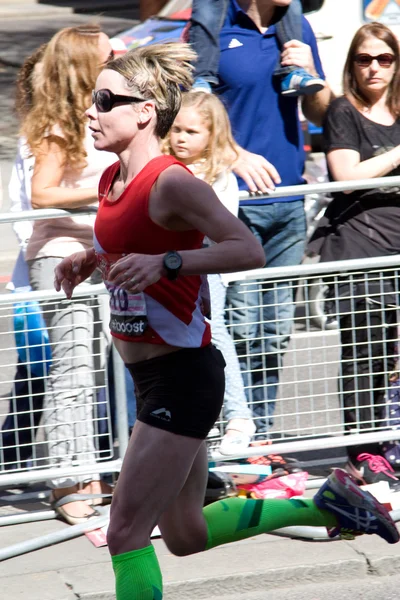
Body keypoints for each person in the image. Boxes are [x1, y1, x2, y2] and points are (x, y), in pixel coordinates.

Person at [54, 42, 398, 600]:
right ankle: (327, 503)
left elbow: (246, 249)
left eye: (104, 100)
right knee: (185, 534)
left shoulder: (172, 182)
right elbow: (136, 244)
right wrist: (92, 259)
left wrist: (169, 261)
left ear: (144, 112)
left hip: (184, 377)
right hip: (152, 380)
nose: (90, 111)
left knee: (125, 531)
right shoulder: (111, 179)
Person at [205, 0, 333, 442]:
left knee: (275, 334)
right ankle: (229, 438)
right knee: (236, 330)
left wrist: (312, 70)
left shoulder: (296, 27)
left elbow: (321, 115)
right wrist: (236, 156)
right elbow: (186, 116)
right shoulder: (214, 28)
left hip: (288, 204)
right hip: (232, 208)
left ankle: (259, 439)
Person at [21, 25, 118, 524]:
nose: (118, 57)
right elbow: (42, 194)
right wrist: (103, 192)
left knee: (92, 370)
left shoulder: (100, 114)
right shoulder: (57, 123)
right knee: (73, 368)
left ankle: (87, 469)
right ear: (85, 64)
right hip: (60, 252)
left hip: (100, 251)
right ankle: (65, 480)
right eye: (108, 54)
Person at [308, 22, 400, 485]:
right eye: (365, 59)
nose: (374, 68)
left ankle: (391, 443)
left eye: (384, 59)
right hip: (360, 245)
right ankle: (365, 451)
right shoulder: (344, 111)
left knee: (394, 356)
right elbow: (347, 175)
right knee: (366, 355)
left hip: (397, 250)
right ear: (352, 65)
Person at [164, 90, 256, 454]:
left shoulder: (217, 175)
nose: (181, 139)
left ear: (212, 135)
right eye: (176, 130)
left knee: (214, 330)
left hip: (203, 263)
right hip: (168, 263)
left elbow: (220, 234)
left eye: (191, 132)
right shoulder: (163, 167)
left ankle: (238, 415)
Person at [188, 0, 324, 97]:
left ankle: (293, 72)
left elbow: (321, 116)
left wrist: (312, 72)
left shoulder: (300, 25)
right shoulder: (207, 27)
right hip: (225, 137)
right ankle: (202, 78)